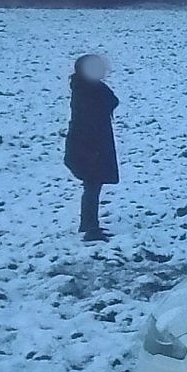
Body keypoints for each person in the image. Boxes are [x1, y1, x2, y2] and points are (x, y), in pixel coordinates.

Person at [64, 54, 119, 242]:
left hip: (91, 144)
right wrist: (92, 149)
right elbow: (88, 122)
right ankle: (90, 227)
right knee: (92, 185)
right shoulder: (87, 91)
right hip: (88, 146)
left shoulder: (87, 87)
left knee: (93, 185)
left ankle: (89, 224)